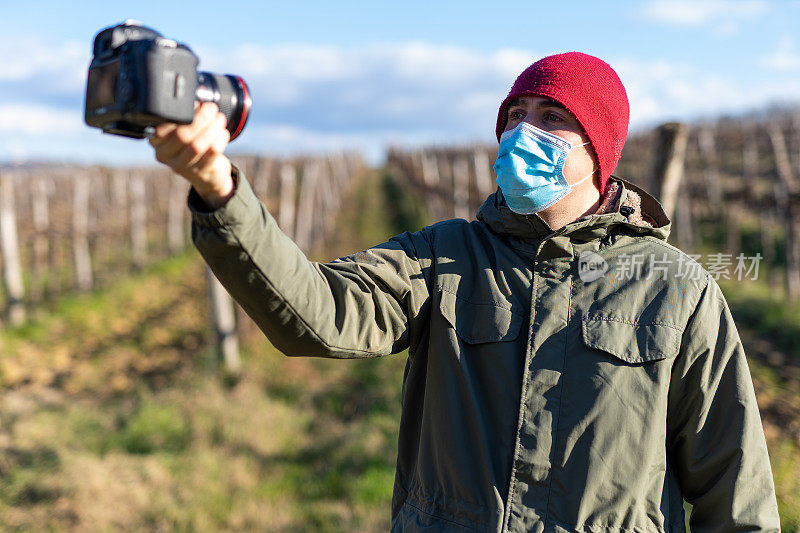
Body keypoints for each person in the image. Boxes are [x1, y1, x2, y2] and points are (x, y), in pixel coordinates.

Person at [149, 52, 780, 532]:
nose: (522, 133)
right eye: (515, 117)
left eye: (552, 119)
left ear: (599, 150)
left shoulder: (676, 288)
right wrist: (218, 189)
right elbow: (318, 314)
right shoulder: (445, 254)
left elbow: (733, 479)